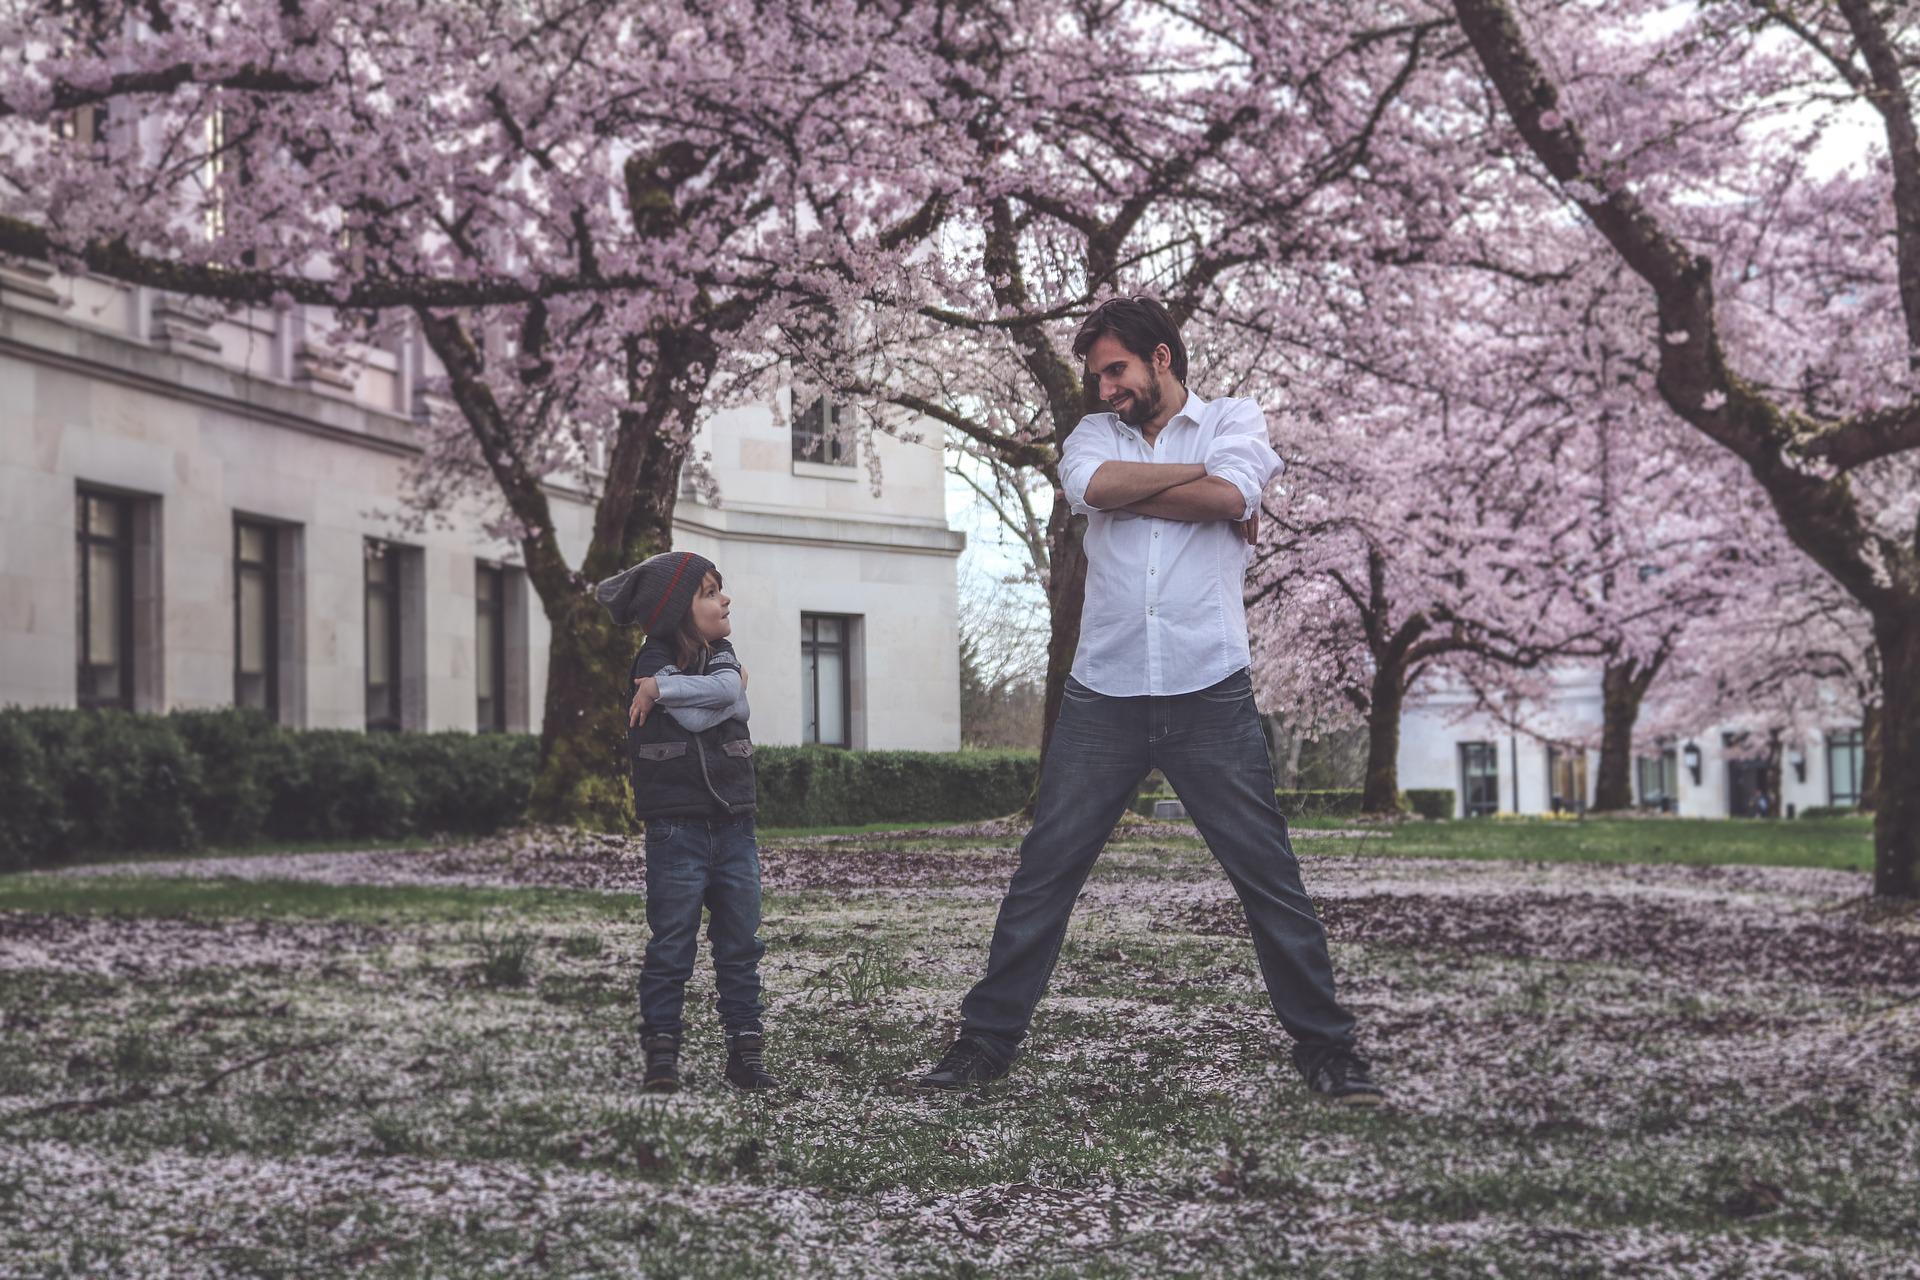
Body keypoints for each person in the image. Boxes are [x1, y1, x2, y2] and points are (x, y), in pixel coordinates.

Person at [915, 296, 1383, 1105]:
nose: (1104, 388)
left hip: (1210, 689)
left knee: (1268, 875)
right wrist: (1205, 482)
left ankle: (1328, 1050)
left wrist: (1193, 491)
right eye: (1097, 374)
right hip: (1106, 692)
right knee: (1044, 874)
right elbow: (1099, 484)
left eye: (1116, 369)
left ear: (1161, 357)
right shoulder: (1095, 436)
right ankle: (984, 1044)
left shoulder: (1236, 415)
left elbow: (1231, 499)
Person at [595, 550, 777, 1093]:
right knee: (672, 943)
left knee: (740, 943)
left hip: (734, 824)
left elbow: (724, 696)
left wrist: (676, 693)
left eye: (721, 589)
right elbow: (713, 706)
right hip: (676, 829)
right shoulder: (650, 661)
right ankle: (662, 1054)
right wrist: (710, 692)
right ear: (677, 608)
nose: (725, 600)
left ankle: (745, 1053)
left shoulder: (722, 651)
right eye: (709, 592)